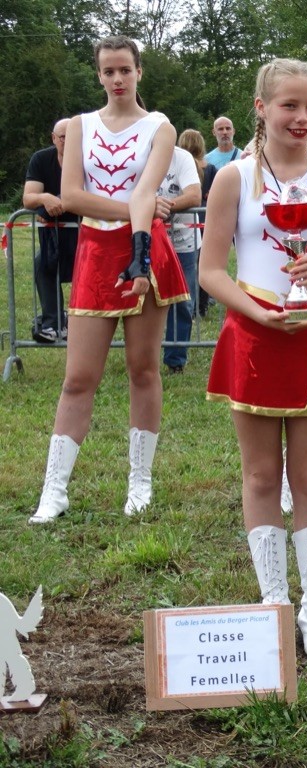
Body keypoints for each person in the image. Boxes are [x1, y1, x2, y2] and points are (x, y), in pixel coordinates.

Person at [199, 58, 307, 659]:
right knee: (262, 476)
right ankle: (275, 603)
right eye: (289, 105)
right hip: (255, 332)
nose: (302, 117)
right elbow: (210, 270)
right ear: (262, 108)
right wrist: (255, 310)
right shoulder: (232, 179)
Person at [30, 35, 189, 524]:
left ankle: (139, 482)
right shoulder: (79, 126)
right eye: (109, 71)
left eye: (125, 70)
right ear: (98, 75)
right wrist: (140, 207)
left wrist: (143, 209)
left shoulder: (161, 127)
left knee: (144, 370)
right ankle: (53, 490)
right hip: (96, 253)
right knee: (78, 377)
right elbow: (73, 194)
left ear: (139, 72)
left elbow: (147, 188)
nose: (117, 79)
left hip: (146, 250)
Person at [22, 118, 79, 343]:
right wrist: (45, 198)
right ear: (54, 138)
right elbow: (28, 198)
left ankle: (81, 323)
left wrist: (64, 202)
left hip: (84, 231)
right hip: (52, 235)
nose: (68, 141)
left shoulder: (87, 160)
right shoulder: (41, 159)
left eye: (72, 137)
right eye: (63, 137)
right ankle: (53, 323)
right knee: (43, 264)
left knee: (86, 271)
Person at [158, 144, 202, 373]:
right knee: (141, 301)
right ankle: (141, 355)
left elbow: (194, 195)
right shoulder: (139, 153)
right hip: (148, 240)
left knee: (183, 302)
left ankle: (175, 360)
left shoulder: (181, 157)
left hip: (183, 242)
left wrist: (161, 207)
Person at [178, 128, 217, 318]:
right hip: (204, 220)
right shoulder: (208, 168)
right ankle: (200, 306)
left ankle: (188, 306)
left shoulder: (178, 166)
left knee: (189, 267)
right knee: (203, 265)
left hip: (185, 222)